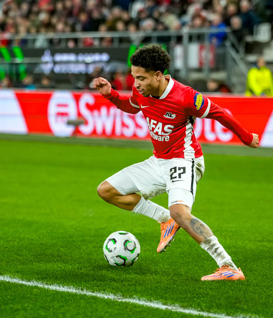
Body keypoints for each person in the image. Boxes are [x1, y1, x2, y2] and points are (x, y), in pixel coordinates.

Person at [93, 44, 259, 281]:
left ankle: (228, 266)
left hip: (184, 160)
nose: (136, 84)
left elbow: (219, 113)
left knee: (180, 212)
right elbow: (132, 106)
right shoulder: (141, 91)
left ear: (158, 75)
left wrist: (246, 137)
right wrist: (110, 94)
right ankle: (165, 219)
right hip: (158, 161)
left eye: (141, 78)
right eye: (134, 77)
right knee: (107, 190)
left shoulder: (185, 96)